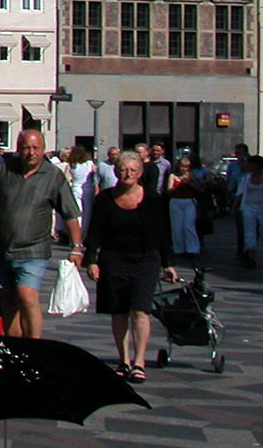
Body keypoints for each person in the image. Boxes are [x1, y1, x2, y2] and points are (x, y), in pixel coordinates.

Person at [0, 129, 83, 338]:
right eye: (26, 148)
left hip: (33, 250)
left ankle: (34, 348)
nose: (31, 153)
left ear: (43, 149)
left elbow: (69, 213)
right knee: (7, 301)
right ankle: (16, 351)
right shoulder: (1, 171)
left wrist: (76, 247)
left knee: (26, 296)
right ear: (18, 148)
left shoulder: (52, 176)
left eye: (36, 148)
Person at [85, 149, 176, 382]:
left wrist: (169, 264)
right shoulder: (105, 199)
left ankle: (139, 361)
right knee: (119, 312)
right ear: (115, 172)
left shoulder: (154, 200)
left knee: (140, 308)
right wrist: (92, 260)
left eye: (132, 170)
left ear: (140, 173)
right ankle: (124, 359)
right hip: (113, 259)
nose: (127, 174)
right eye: (123, 170)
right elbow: (95, 232)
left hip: (146, 259)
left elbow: (163, 233)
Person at [235, 154, 263, 268]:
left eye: (251, 164)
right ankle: (251, 257)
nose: (248, 166)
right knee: (250, 232)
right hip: (249, 207)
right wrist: (234, 206)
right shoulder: (246, 178)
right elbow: (239, 194)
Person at [166, 156, 203, 258]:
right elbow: (169, 191)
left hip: (189, 201)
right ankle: (179, 249)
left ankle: (192, 249)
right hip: (176, 201)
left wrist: (189, 183)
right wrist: (179, 185)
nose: (184, 169)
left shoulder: (191, 175)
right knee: (177, 227)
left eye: (187, 167)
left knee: (188, 225)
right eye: (183, 167)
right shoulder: (173, 176)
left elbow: (199, 188)